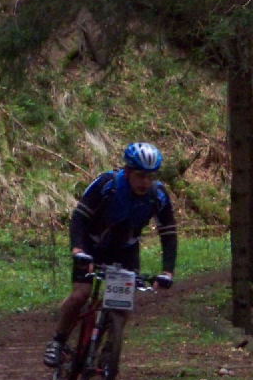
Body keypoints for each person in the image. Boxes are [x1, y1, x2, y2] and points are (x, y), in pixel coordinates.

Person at [44, 142, 177, 367]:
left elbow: (169, 233)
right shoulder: (107, 184)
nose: (145, 182)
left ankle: (109, 349)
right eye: (140, 175)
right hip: (91, 244)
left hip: (125, 250)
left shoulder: (158, 195)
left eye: (150, 177)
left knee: (121, 303)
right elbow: (79, 218)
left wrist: (167, 271)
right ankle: (58, 341)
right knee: (80, 295)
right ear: (127, 171)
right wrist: (78, 249)